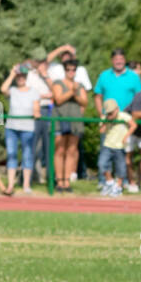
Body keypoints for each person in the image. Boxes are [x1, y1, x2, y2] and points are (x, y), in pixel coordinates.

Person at [50, 58, 87, 193]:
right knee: (60, 150)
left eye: (73, 69)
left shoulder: (79, 85)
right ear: (64, 70)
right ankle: (59, 181)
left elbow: (84, 102)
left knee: (71, 151)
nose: (71, 72)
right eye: (68, 69)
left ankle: (67, 181)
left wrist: (75, 92)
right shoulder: (58, 83)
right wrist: (72, 91)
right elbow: (58, 99)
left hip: (75, 120)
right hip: (60, 119)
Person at [1, 64, 39, 193]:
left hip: (27, 128)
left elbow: (36, 108)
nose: (20, 78)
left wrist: (36, 113)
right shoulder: (13, 90)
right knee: (12, 155)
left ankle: (26, 185)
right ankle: (10, 185)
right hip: (12, 127)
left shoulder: (33, 91)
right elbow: (3, 89)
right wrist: (12, 74)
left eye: (23, 76)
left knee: (27, 155)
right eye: (19, 76)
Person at [92, 48, 141, 124]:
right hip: (108, 120)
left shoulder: (134, 77)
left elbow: (139, 99)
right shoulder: (104, 75)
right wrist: (102, 115)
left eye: (121, 59)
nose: (119, 62)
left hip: (127, 121)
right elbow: (97, 97)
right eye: (116, 59)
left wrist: (135, 116)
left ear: (125, 60)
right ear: (112, 60)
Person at [97, 98, 133, 197]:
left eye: (111, 113)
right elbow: (101, 131)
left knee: (121, 168)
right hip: (108, 145)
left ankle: (118, 187)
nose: (110, 115)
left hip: (119, 147)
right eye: (108, 113)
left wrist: (126, 136)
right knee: (102, 164)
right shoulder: (105, 118)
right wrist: (105, 121)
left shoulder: (123, 116)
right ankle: (109, 182)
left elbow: (133, 125)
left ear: (117, 110)